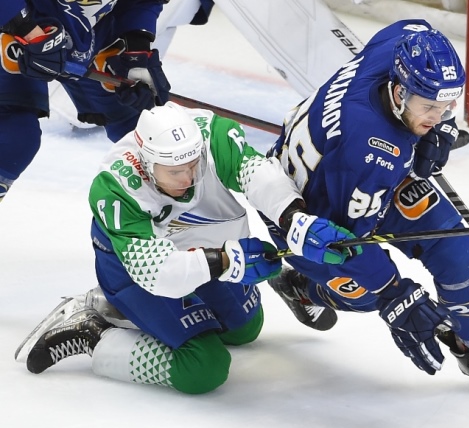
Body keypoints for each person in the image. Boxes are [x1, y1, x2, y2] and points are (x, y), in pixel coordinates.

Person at [263, 19, 469, 394]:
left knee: (456, 250)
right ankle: (301, 288)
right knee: (364, 292)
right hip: (309, 219)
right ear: (398, 92)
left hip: (347, 181)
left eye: (446, 105)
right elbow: (345, 244)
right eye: (429, 107)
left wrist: (440, 125)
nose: (437, 114)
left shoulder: (401, 50)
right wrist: (395, 293)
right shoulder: (371, 151)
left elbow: (417, 26)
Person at [15, 102, 355, 393]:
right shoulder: (116, 187)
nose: (189, 179)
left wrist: (294, 218)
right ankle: (96, 332)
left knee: (245, 329)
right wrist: (227, 261)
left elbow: (257, 173)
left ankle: (277, 280)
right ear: (147, 164)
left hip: (204, 250)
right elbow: (155, 272)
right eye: (176, 171)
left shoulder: (211, 136)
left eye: (194, 165)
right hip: (134, 270)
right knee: (203, 368)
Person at [0, 0, 172, 204]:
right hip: (17, 19)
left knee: (146, 135)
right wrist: (26, 28)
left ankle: (153, 216)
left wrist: (137, 49)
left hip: (89, 31)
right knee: (15, 136)